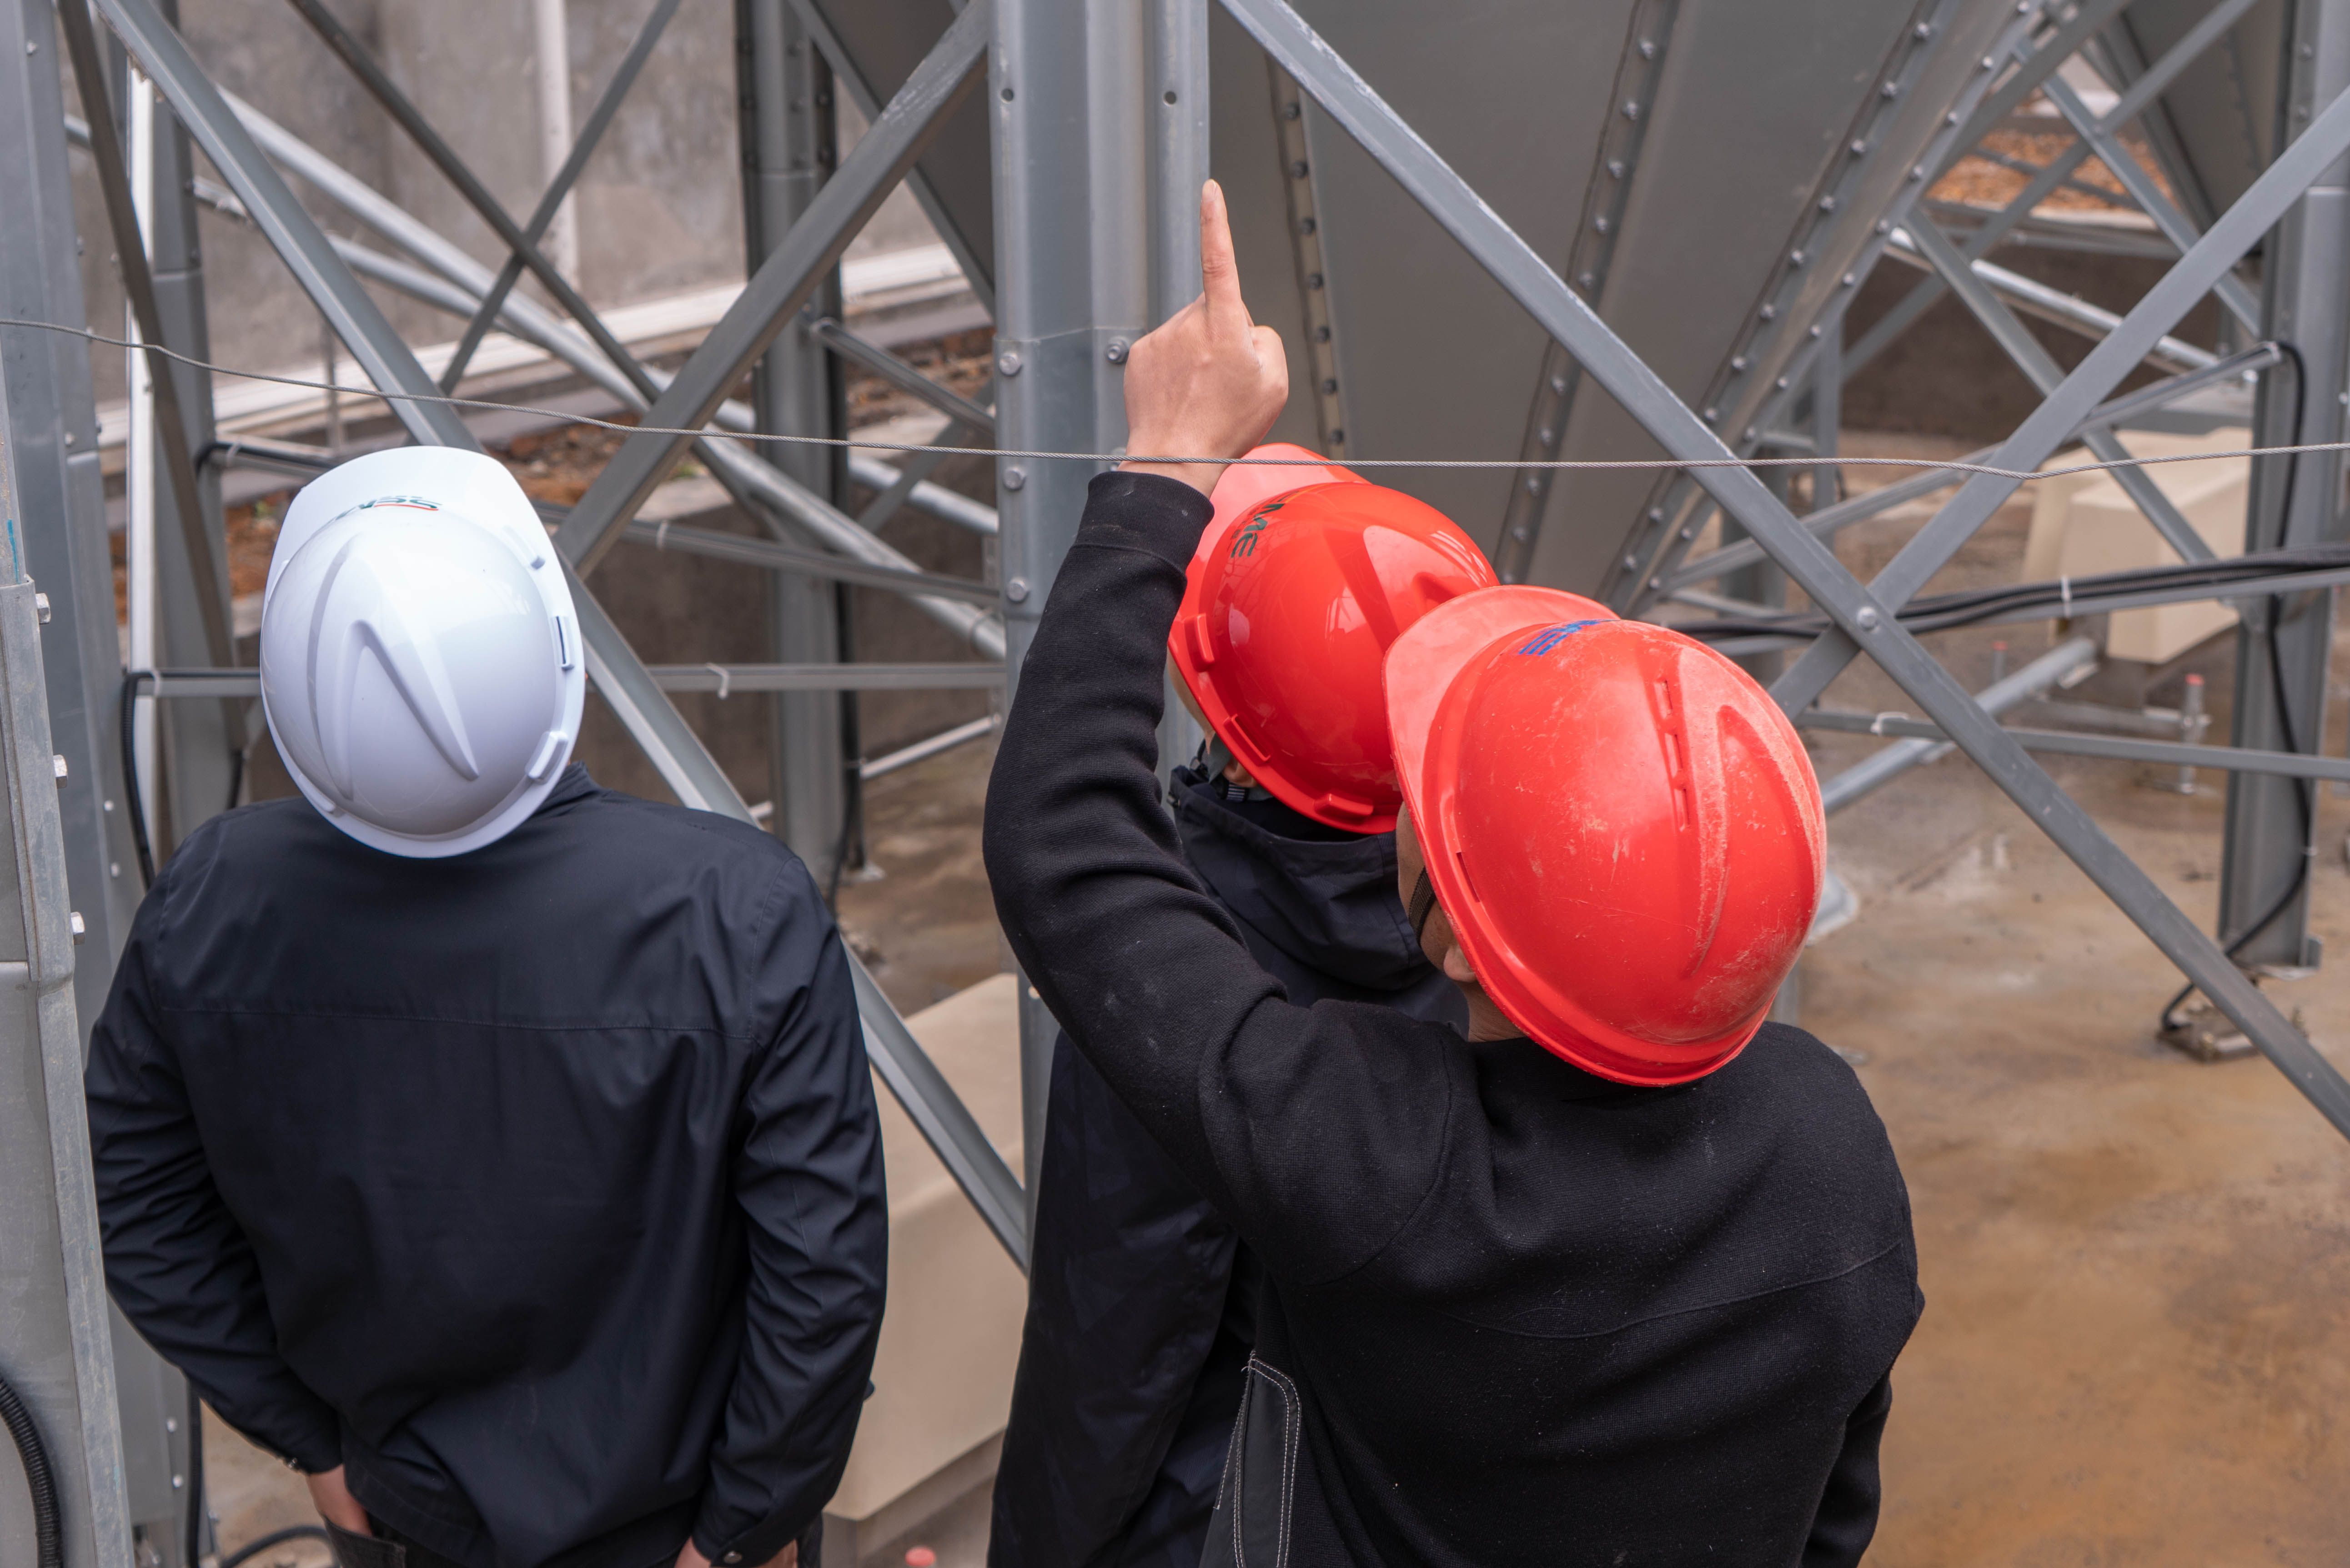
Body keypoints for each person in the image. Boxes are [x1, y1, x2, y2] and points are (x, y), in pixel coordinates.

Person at [982, 181, 1920, 1565]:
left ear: (1465, 942)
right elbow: (1830, 1513)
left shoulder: (1375, 1161)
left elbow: (1065, 851)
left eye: (1439, 789)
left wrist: (1166, 465)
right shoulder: (1832, 1146)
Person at [85, 447, 887, 1568]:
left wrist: (307, 1434)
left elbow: (143, 1212)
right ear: (555, 642)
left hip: (402, 1514)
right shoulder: (738, 910)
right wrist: (738, 1528)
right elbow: (822, 1278)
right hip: (681, 1526)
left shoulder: (211, 902)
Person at [989, 459, 1498, 1568]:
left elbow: (1122, 1318)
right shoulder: (1497, 948)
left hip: (1211, 1510)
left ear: (1229, 720)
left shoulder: (1174, 962)